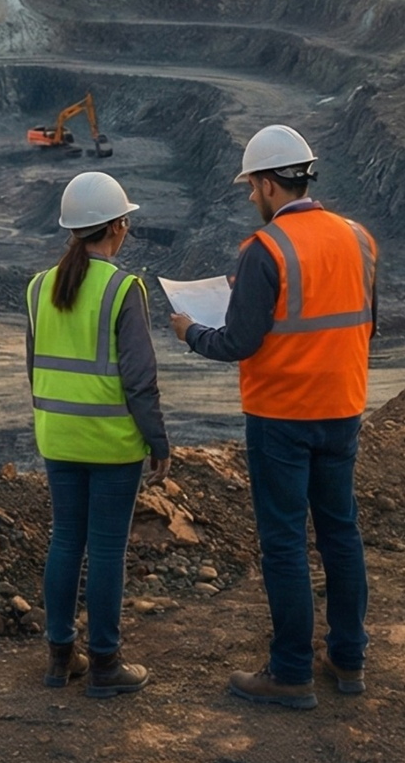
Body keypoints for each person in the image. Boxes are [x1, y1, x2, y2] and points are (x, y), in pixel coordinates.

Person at [170, 124, 376, 710]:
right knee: (341, 531)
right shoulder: (359, 239)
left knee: (284, 541)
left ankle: (290, 672)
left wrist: (191, 332)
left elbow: (238, 341)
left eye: (251, 189)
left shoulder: (264, 250)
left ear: (265, 184)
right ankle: (349, 655)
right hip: (343, 409)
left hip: (282, 415)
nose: (250, 199)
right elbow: (362, 318)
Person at [27, 171, 170, 697]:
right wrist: (158, 442)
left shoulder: (40, 286)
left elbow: (33, 365)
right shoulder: (122, 288)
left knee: (66, 540)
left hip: (58, 440)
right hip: (112, 445)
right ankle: (106, 666)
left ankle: (60, 658)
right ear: (117, 227)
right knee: (107, 550)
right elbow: (140, 379)